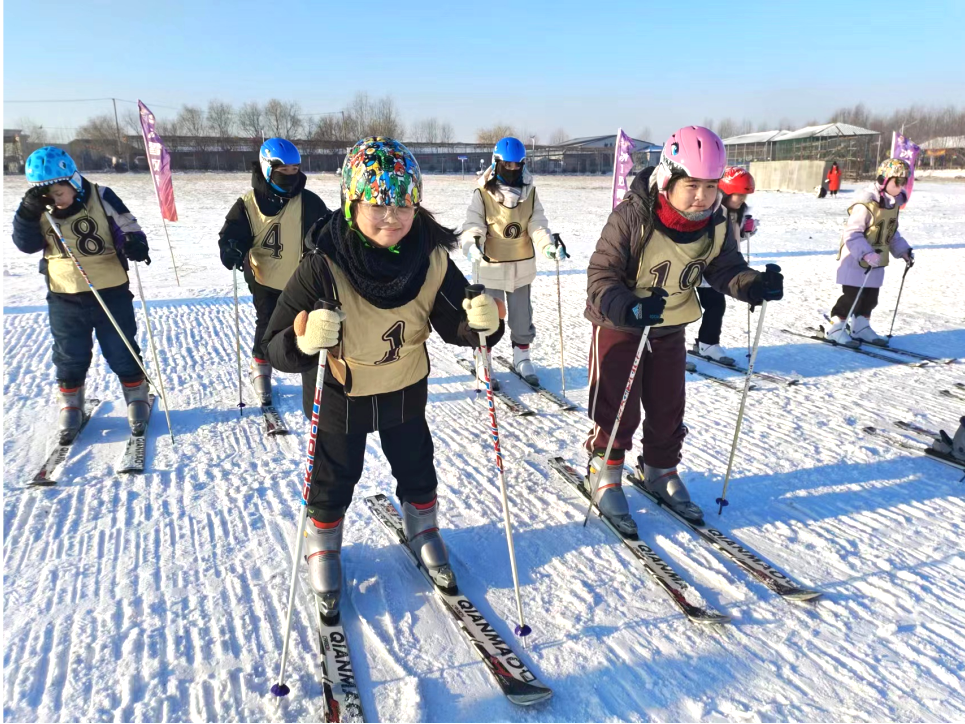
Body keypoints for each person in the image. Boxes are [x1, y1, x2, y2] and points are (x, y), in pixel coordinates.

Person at [262, 137, 504, 617]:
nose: (393, 215)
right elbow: (273, 347)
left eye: (404, 202)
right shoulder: (321, 264)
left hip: (404, 385)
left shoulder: (431, 257)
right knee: (334, 475)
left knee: (416, 462)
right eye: (378, 203)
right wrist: (306, 342)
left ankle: (423, 526)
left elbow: (455, 324)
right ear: (353, 203)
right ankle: (324, 543)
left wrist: (482, 324)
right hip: (339, 393)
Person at [583, 126, 784, 532]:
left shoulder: (715, 224)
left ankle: (660, 468)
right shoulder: (634, 216)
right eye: (692, 185)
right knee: (617, 404)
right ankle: (604, 470)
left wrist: (754, 285)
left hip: (670, 326)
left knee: (667, 405)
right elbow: (601, 277)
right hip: (622, 325)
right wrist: (630, 308)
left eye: (711, 187)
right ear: (669, 179)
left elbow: (724, 269)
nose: (702, 197)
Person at [11, 147, 153, 443]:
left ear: (74, 181)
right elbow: (26, 244)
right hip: (64, 295)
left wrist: (134, 243)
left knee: (121, 347)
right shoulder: (39, 210)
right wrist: (27, 214)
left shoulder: (102, 196)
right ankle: (71, 402)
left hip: (110, 290)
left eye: (59, 193)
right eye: (46, 196)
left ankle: (136, 394)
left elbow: (129, 225)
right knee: (69, 353)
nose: (55, 201)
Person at [218, 138, 331, 406]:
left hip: (302, 281)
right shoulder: (248, 205)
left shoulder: (309, 202)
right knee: (268, 323)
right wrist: (232, 248)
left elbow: (327, 230)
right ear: (267, 168)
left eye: (295, 170)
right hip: (265, 279)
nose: (291, 176)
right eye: (284, 171)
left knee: (312, 325)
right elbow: (231, 234)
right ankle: (261, 364)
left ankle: (316, 369)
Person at [459, 136, 564, 389]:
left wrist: (547, 245)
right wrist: (472, 244)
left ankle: (522, 357)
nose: (513, 170)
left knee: (520, 317)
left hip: (521, 265)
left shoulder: (530, 192)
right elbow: (473, 223)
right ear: (496, 164)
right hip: (491, 266)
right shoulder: (482, 194)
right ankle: (483, 358)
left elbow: (537, 224)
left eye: (518, 165)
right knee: (487, 316)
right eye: (508, 165)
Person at [825, 158, 914, 346]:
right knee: (851, 297)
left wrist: (903, 251)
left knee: (871, 298)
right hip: (855, 260)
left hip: (877, 261)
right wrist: (865, 253)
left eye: (904, 182)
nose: (900, 186)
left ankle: (861, 326)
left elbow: (890, 232)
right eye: (897, 181)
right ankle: (836, 327)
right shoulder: (866, 204)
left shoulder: (892, 205)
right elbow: (852, 233)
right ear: (883, 180)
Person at [692, 166, 758, 365]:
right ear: (726, 192)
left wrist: (746, 232)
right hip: (706, 269)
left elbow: (731, 243)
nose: (742, 201)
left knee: (716, 305)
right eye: (738, 196)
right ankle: (702, 344)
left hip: (722, 269)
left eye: (744, 197)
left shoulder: (735, 214)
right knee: (700, 306)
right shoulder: (712, 212)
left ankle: (707, 343)